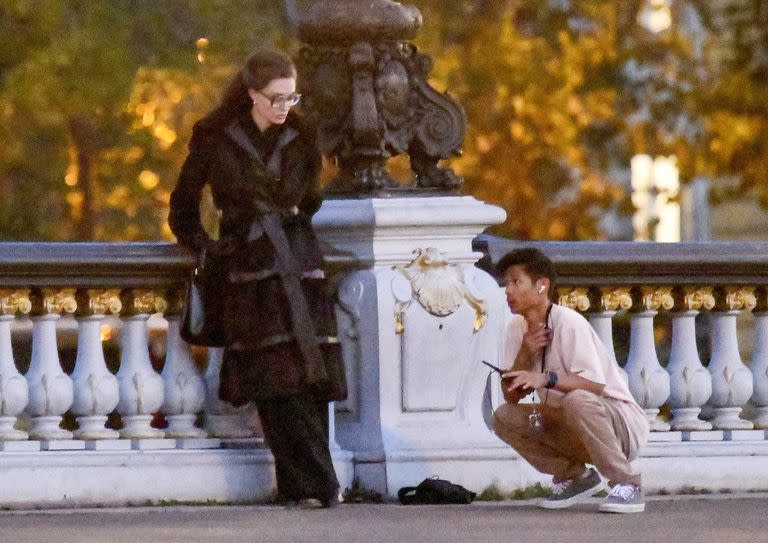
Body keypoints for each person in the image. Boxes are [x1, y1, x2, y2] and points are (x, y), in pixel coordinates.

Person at [168, 49, 347, 509]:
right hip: (248, 269)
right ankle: (311, 485)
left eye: (291, 97)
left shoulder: (303, 135)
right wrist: (211, 248)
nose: (285, 106)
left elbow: (310, 200)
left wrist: (286, 221)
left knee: (310, 376)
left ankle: (312, 486)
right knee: (274, 379)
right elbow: (183, 207)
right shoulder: (213, 137)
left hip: (299, 261)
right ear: (251, 94)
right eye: (275, 98)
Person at [491, 248, 649, 513]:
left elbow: (595, 385)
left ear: (542, 286)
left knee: (577, 400)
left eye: (516, 282)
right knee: (503, 416)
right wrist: (525, 354)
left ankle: (627, 483)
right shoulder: (516, 329)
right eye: (505, 283)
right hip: (572, 425)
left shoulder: (568, 322)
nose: (507, 290)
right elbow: (512, 397)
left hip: (619, 427)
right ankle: (576, 477)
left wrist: (544, 378)